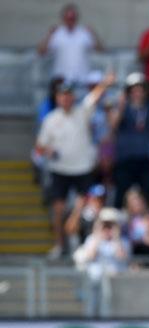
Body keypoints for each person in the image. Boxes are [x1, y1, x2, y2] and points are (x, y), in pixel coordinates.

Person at [35, 74, 115, 258]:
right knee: (58, 210)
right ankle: (59, 245)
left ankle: (87, 244)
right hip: (61, 170)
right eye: (62, 95)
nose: (65, 98)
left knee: (87, 210)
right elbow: (39, 147)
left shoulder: (82, 112)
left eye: (69, 94)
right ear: (57, 98)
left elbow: (94, 96)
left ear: (73, 97)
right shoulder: (51, 119)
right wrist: (50, 152)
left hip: (83, 169)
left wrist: (105, 83)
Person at [109, 72, 149, 208]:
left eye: (140, 89)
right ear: (128, 92)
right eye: (134, 90)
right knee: (121, 194)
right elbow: (113, 125)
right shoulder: (122, 108)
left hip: (144, 159)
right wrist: (120, 106)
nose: (137, 93)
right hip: (125, 159)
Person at [73, 208, 130, 315]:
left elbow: (122, 257)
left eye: (111, 225)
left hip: (116, 284)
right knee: (92, 307)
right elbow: (91, 256)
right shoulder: (92, 239)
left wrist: (116, 237)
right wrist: (98, 235)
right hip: (95, 282)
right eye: (105, 225)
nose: (107, 228)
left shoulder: (122, 241)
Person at [37, 3, 103, 84]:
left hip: (82, 78)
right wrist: (48, 36)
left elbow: (100, 49)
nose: (70, 20)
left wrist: (93, 34)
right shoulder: (57, 33)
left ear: (77, 18)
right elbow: (41, 52)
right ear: (63, 18)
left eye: (73, 18)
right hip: (61, 79)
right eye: (68, 18)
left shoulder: (84, 33)